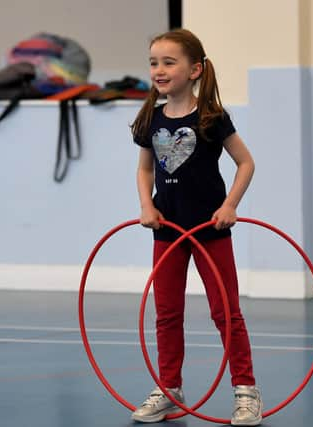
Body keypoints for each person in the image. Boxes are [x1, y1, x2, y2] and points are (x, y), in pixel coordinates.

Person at [130, 29, 263, 426]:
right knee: (167, 314)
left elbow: (246, 163)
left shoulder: (212, 118)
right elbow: (144, 167)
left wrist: (229, 205)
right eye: (154, 62)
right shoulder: (149, 117)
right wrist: (146, 205)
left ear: (195, 70)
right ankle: (169, 389)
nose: (159, 69)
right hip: (167, 230)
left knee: (226, 312)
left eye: (169, 62)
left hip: (210, 229)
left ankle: (246, 390)